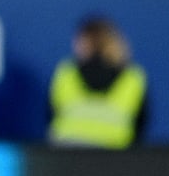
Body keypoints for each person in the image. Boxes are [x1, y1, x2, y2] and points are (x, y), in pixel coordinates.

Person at [48, 16, 147, 148]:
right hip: (116, 157)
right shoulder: (133, 77)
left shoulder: (65, 72)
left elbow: (50, 115)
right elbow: (140, 124)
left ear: (84, 42)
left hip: (67, 153)